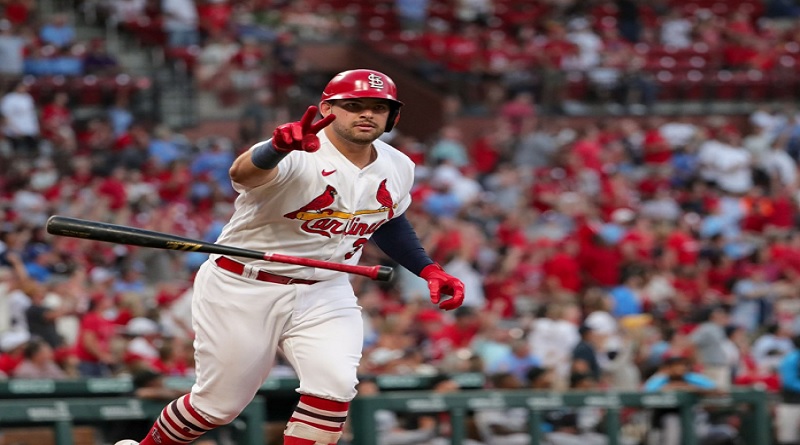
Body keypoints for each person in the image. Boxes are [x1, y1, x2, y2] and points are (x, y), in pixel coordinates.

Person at [114, 69, 465, 445]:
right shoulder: (299, 150)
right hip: (244, 283)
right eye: (354, 105)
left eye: (379, 108)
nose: (367, 114)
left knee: (335, 387)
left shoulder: (399, 165)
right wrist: (276, 148)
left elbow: (388, 220)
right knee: (218, 406)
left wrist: (428, 269)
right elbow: (243, 173)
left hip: (325, 289)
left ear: (392, 116)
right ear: (327, 109)